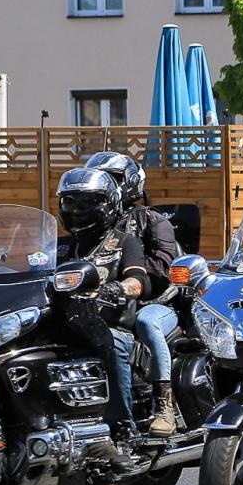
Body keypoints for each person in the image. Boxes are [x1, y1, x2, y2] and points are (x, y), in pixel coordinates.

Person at [84, 151, 183, 437]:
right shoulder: (95, 225)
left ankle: (164, 404)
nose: (106, 186)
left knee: (146, 324)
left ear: (130, 183)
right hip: (110, 302)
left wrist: (122, 277)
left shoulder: (151, 220)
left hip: (155, 302)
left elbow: (163, 268)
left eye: (112, 180)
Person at [54, 168, 153, 441]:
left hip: (109, 324)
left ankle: (122, 425)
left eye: (85, 203)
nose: (76, 210)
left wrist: (116, 288)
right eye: (69, 202)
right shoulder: (57, 247)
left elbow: (139, 281)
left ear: (108, 204)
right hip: (64, 325)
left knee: (113, 343)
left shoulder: (124, 243)